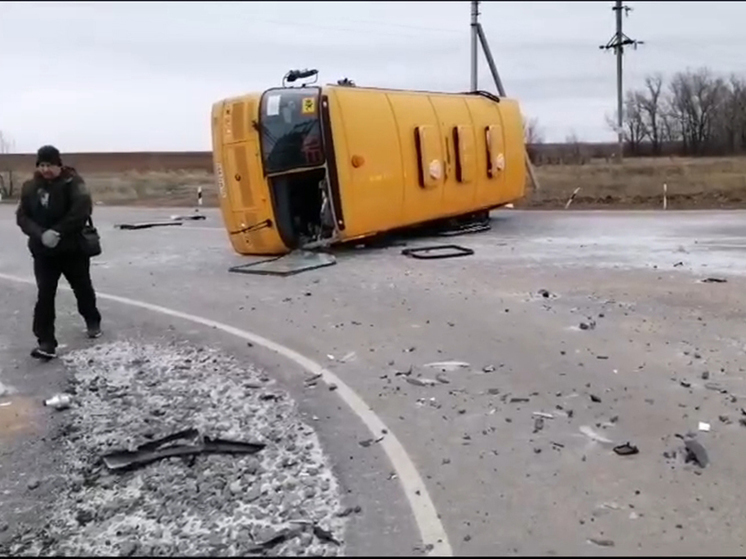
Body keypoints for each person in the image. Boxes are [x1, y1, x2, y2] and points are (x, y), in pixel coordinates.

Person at [15, 145, 102, 360]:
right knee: (45, 294)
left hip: (72, 250)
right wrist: (40, 234)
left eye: (50, 165)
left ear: (59, 165)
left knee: (82, 288)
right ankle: (46, 342)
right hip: (43, 252)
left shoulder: (73, 183)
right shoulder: (30, 187)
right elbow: (22, 216)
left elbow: (81, 211)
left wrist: (58, 231)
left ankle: (92, 320)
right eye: (42, 165)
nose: (46, 169)